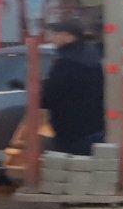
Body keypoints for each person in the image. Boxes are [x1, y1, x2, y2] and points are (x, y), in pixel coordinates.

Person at [42, 19, 105, 156]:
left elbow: (49, 96)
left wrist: (40, 89)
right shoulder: (94, 56)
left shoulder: (66, 62)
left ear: (68, 36)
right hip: (97, 129)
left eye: (56, 34)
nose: (53, 39)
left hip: (72, 133)